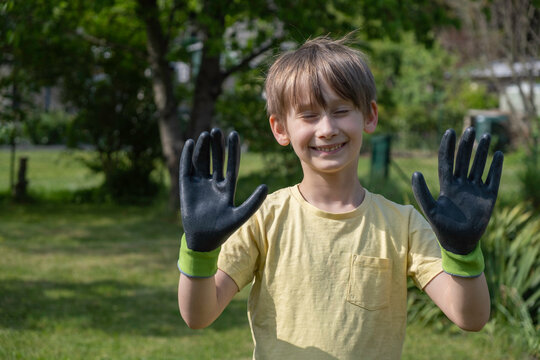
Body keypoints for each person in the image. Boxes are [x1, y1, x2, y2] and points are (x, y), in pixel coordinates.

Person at [176, 36, 504, 359]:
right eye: (308, 115)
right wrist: (199, 251)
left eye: (341, 110)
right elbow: (199, 315)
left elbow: (470, 319)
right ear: (280, 129)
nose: (327, 128)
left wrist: (462, 253)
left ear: (370, 115)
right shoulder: (265, 219)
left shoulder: (401, 224)